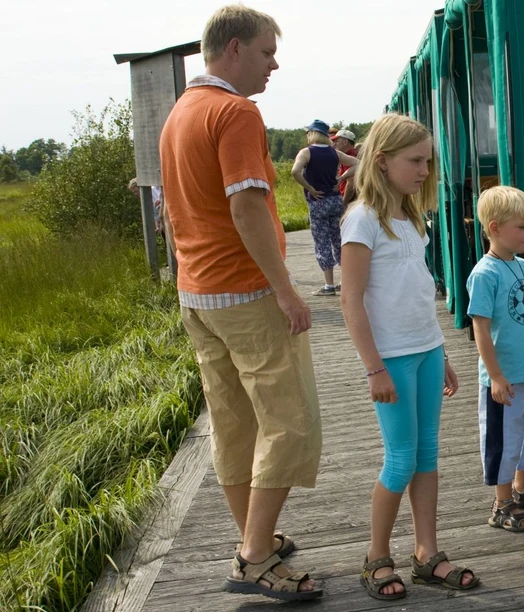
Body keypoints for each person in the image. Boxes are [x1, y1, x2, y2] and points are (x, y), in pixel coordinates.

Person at [158, 4, 322, 602]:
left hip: (198, 294)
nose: (273, 64)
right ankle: (254, 558)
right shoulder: (234, 112)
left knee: (235, 424)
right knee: (290, 422)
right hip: (247, 293)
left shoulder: (181, 112)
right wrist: (285, 287)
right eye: (265, 52)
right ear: (232, 49)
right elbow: (247, 206)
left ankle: (259, 537)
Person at [340, 113, 480, 600]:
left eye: (428, 161)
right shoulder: (363, 219)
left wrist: (440, 349)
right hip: (392, 360)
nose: (425, 170)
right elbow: (351, 301)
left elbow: (419, 292)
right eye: (415, 161)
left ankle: (427, 553)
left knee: (426, 456)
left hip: (425, 351)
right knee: (399, 460)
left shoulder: (410, 216)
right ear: (381, 161)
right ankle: (376, 557)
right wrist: (374, 367)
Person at [466, 186, 524, 533]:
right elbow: (480, 326)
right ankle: (501, 502)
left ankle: (522, 489)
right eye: (521, 227)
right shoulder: (484, 274)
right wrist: (494, 375)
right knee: (504, 441)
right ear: (495, 228)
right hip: (504, 378)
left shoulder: (522, 266)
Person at [291, 121, 358, 296]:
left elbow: (295, 171)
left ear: (312, 134)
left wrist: (310, 187)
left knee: (322, 243)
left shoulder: (306, 153)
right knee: (339, 240)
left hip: (318, 201)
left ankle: (329, 285)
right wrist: (341, 178)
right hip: (335, 200)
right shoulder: (334, 152)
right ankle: (346, 281)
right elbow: (357, 163)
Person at [333, 128, 359, 197]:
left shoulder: (349, 157)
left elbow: (351, 182)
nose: (334, 144)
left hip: (351, 200)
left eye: (336, 141)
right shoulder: (356, 154)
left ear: (345, 142)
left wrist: (344, 202)